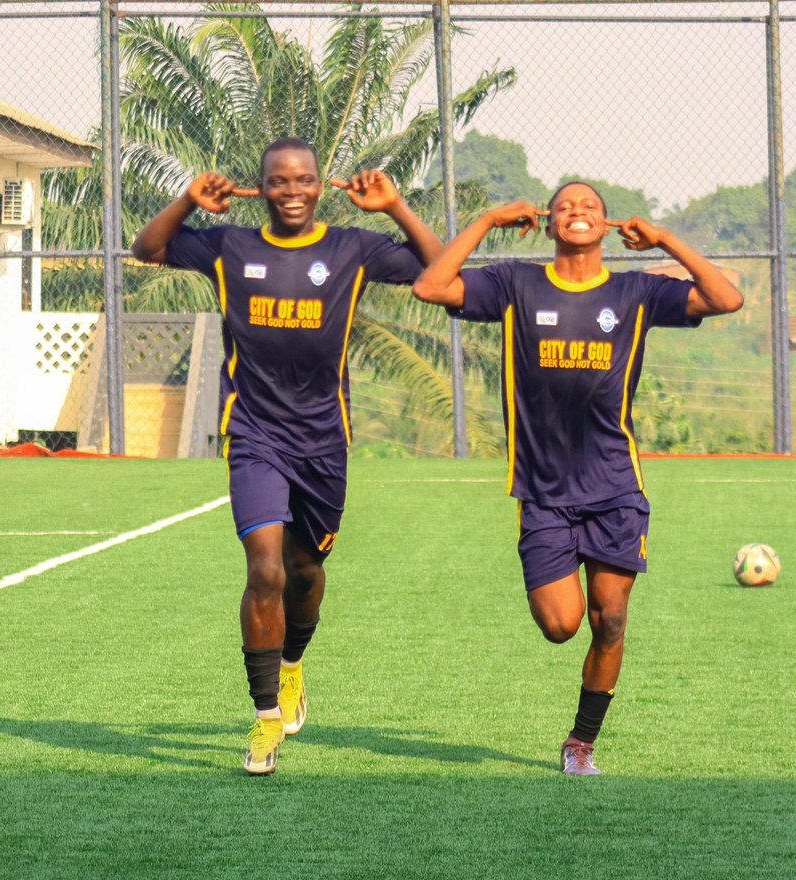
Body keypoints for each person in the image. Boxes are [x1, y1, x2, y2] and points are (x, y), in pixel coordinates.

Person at [131, 137, 442, 775]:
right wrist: (189, 200)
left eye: (303, 181)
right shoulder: (230, 247)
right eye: (279, 181)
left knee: (304, 573)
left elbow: (437, 270)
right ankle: (266, 717)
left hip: (325, 440)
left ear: (320, 185)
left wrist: (396, 207)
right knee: (265, 571)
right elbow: (149, 248)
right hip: (253, 434)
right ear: (261, 187)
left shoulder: (350, 248)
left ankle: (294, 667)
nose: (292, 192)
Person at [413, 182, 743, 775]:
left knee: (610, 618)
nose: (578, 213)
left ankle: (581, 743)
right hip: (542, 491)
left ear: (608, 222)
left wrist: (664, 238)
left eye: (590, 206)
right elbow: (431, 285)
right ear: (547, 223)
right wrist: (487, 219)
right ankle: (578, 719)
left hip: (616, 485)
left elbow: (726, 299)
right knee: (561, 626)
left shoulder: (635, 289)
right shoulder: (517, 282)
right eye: (565, 206)